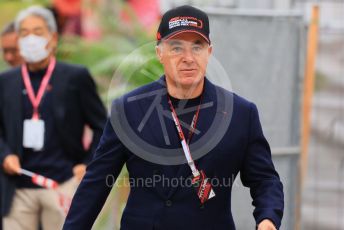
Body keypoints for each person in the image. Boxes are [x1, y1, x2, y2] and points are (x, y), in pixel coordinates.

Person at [63, 5, 284, 230]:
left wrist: (268, 217)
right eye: (176, 48)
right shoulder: (129, 110)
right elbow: (97, 181)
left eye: (197, 47)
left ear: (209, 52)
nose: (188, 58)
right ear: (160, 53)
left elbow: (265, 179)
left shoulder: (240, 113)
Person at [0, 6, 107, 230]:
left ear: (53, 37)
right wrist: (5, 155)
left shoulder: (75, 77)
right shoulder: (6, 81)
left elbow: (102, 126)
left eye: (38, 32)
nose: (31, 39)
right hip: (18, 187)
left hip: (62, 183)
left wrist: (87, 164)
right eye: (24, 33)